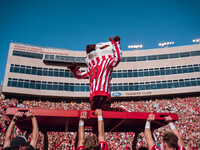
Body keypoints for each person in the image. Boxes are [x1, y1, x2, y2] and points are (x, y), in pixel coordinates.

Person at [68, 36, 128, 111]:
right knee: (94, 115)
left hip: (103, 93)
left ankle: (121, 110)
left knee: (105, 111)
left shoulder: (107, 62)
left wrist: (116, 44)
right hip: (93, 96)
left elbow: (117, 58)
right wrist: (73, 70)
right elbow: (79, 75)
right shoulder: (91, 68)